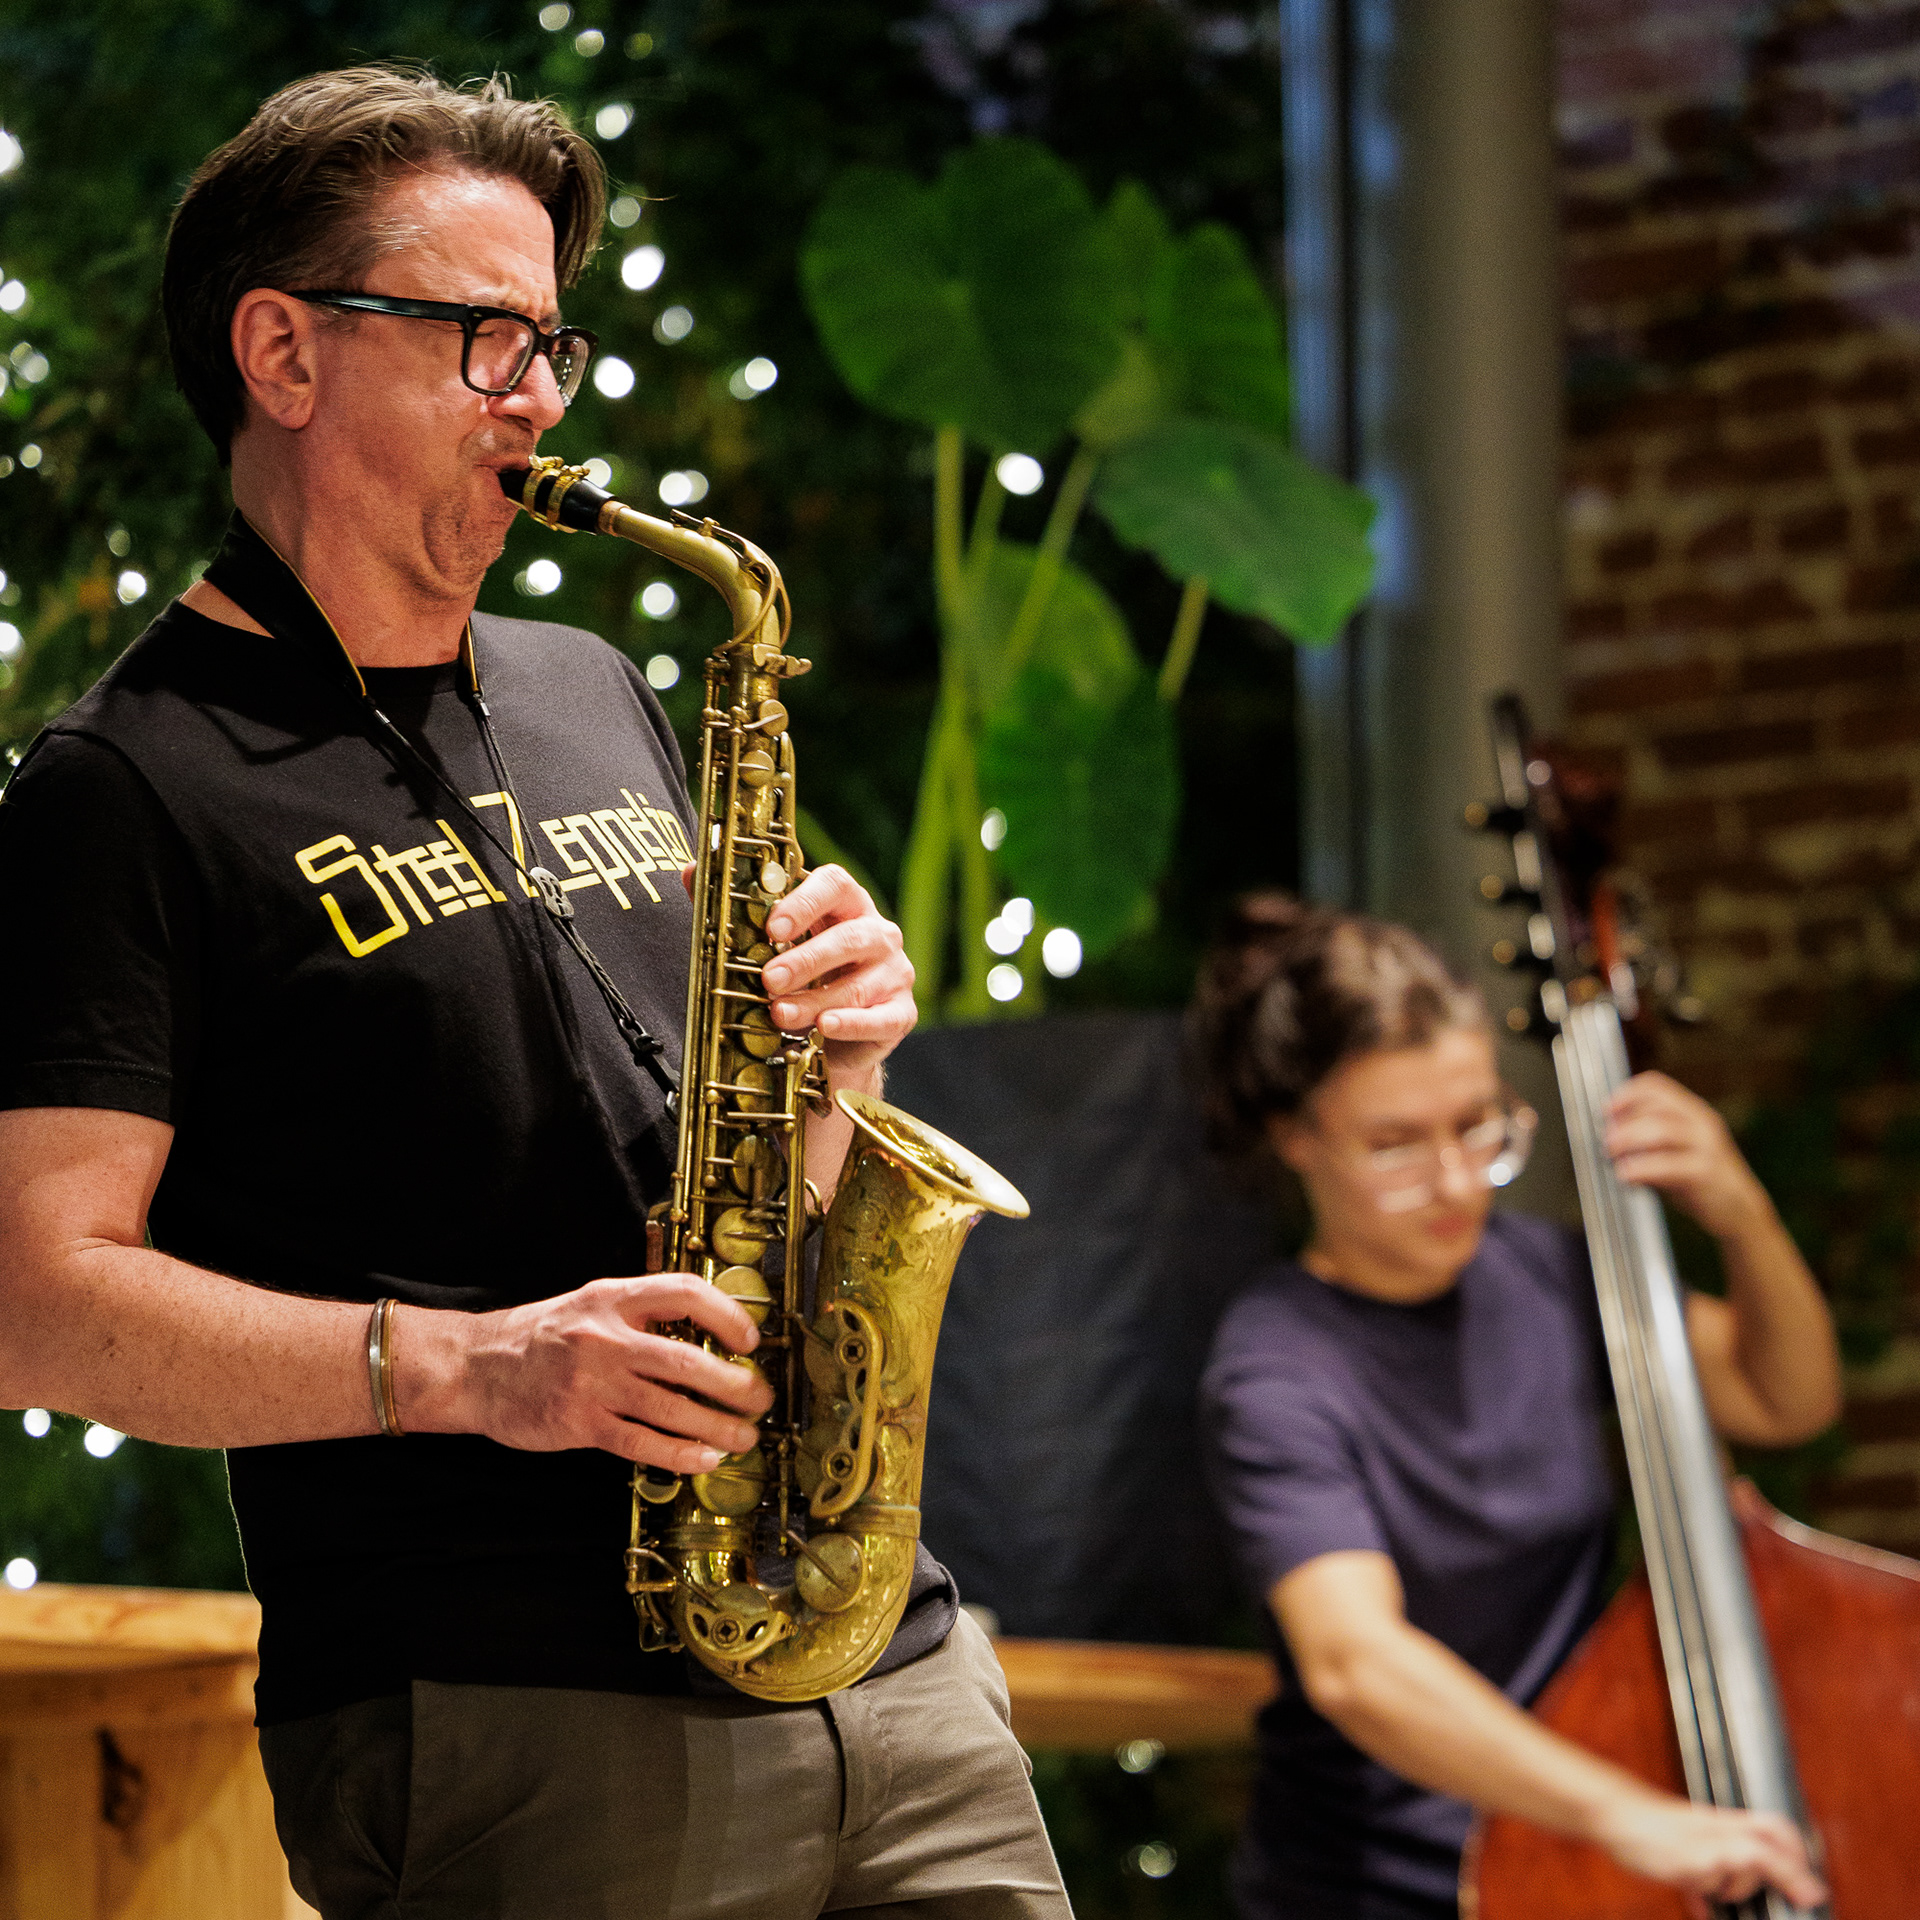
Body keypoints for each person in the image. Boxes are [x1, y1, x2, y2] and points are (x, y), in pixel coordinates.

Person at [0, 66, 1068, 1920]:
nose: (544, 398)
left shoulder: (592, 684)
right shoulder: (124, 783)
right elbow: (34, 1303)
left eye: (553, 344)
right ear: (284, 353)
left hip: (881, 1659)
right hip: (510, 1713)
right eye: (484, 338)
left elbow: (749, 1192)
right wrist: (478, 1369)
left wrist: (836, 1063)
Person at [1192, 894, 1838, 1920]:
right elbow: (1357, 1663)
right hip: (1380, 1889)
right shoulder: (1275, 1368)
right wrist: (1630, 1816)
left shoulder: (1554, 1277)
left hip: (1576, 1856)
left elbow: (1782, 1399)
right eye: (1396, 1145)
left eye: (1477, 1126)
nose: (1457, 1182)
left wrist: (1741, 1213)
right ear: (1295, 1137)